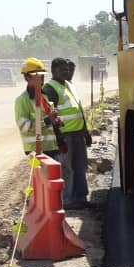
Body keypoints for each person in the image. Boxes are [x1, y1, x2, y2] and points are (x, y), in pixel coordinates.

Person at [42, 57, 91, 209]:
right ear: (54, 70)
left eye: (67, 69)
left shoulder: (69, 85)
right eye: (63, 69)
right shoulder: (49, 89)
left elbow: (78, 110)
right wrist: (59, 140)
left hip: (77, 134)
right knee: (67, 168)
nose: (66, 72)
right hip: (65, 136)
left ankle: (81, 198)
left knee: (80, 166)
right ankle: (68, 201)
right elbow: (51, 116)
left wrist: (86, 132)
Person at [14, 58, 64, 158]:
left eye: (42, 75)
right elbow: (24, 126)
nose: (41, 77)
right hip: (34, 151)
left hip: (52, 148)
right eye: (36, 75)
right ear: (27, 77)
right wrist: (47, 120)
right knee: (39, 174)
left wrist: (56, 122)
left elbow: (49, 122)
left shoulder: (44, 96)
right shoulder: (22, 100)